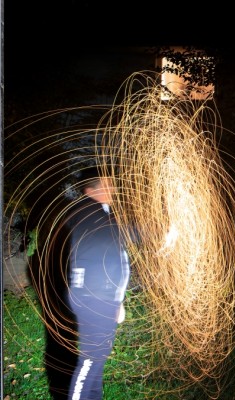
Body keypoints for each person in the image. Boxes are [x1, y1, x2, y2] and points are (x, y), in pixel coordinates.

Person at [59, 166, 131, 400]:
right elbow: (119, 233)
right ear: (91, 190)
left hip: (102, 295)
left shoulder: (100, 214)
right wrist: (157, 232)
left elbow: (107, 257)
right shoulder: (89, 212)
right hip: (94, 297)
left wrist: (117, 299)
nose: (114, 188)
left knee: (97, 359)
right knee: (90, 361)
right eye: (108, 184)